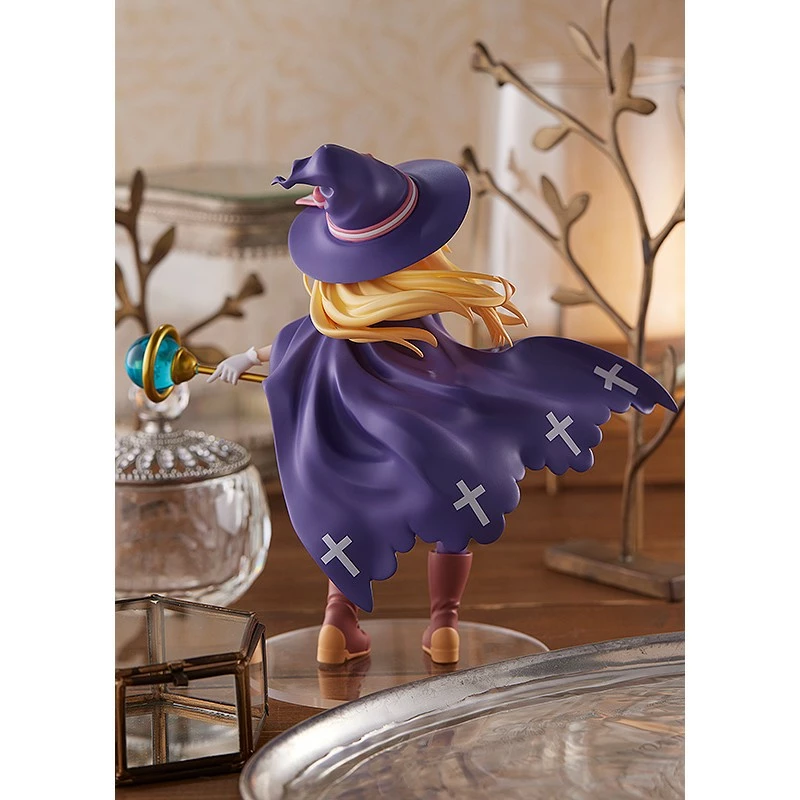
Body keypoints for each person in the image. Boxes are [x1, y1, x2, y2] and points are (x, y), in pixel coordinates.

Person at [208, 143, 677, 665]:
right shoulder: (412, 317)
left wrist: (246, 356)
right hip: (437, 434)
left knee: (344, 513)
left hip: (352, 453)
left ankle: (337, 623)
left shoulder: (326, 328)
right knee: (457, 506)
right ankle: (444, 625)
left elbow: (286, 347)